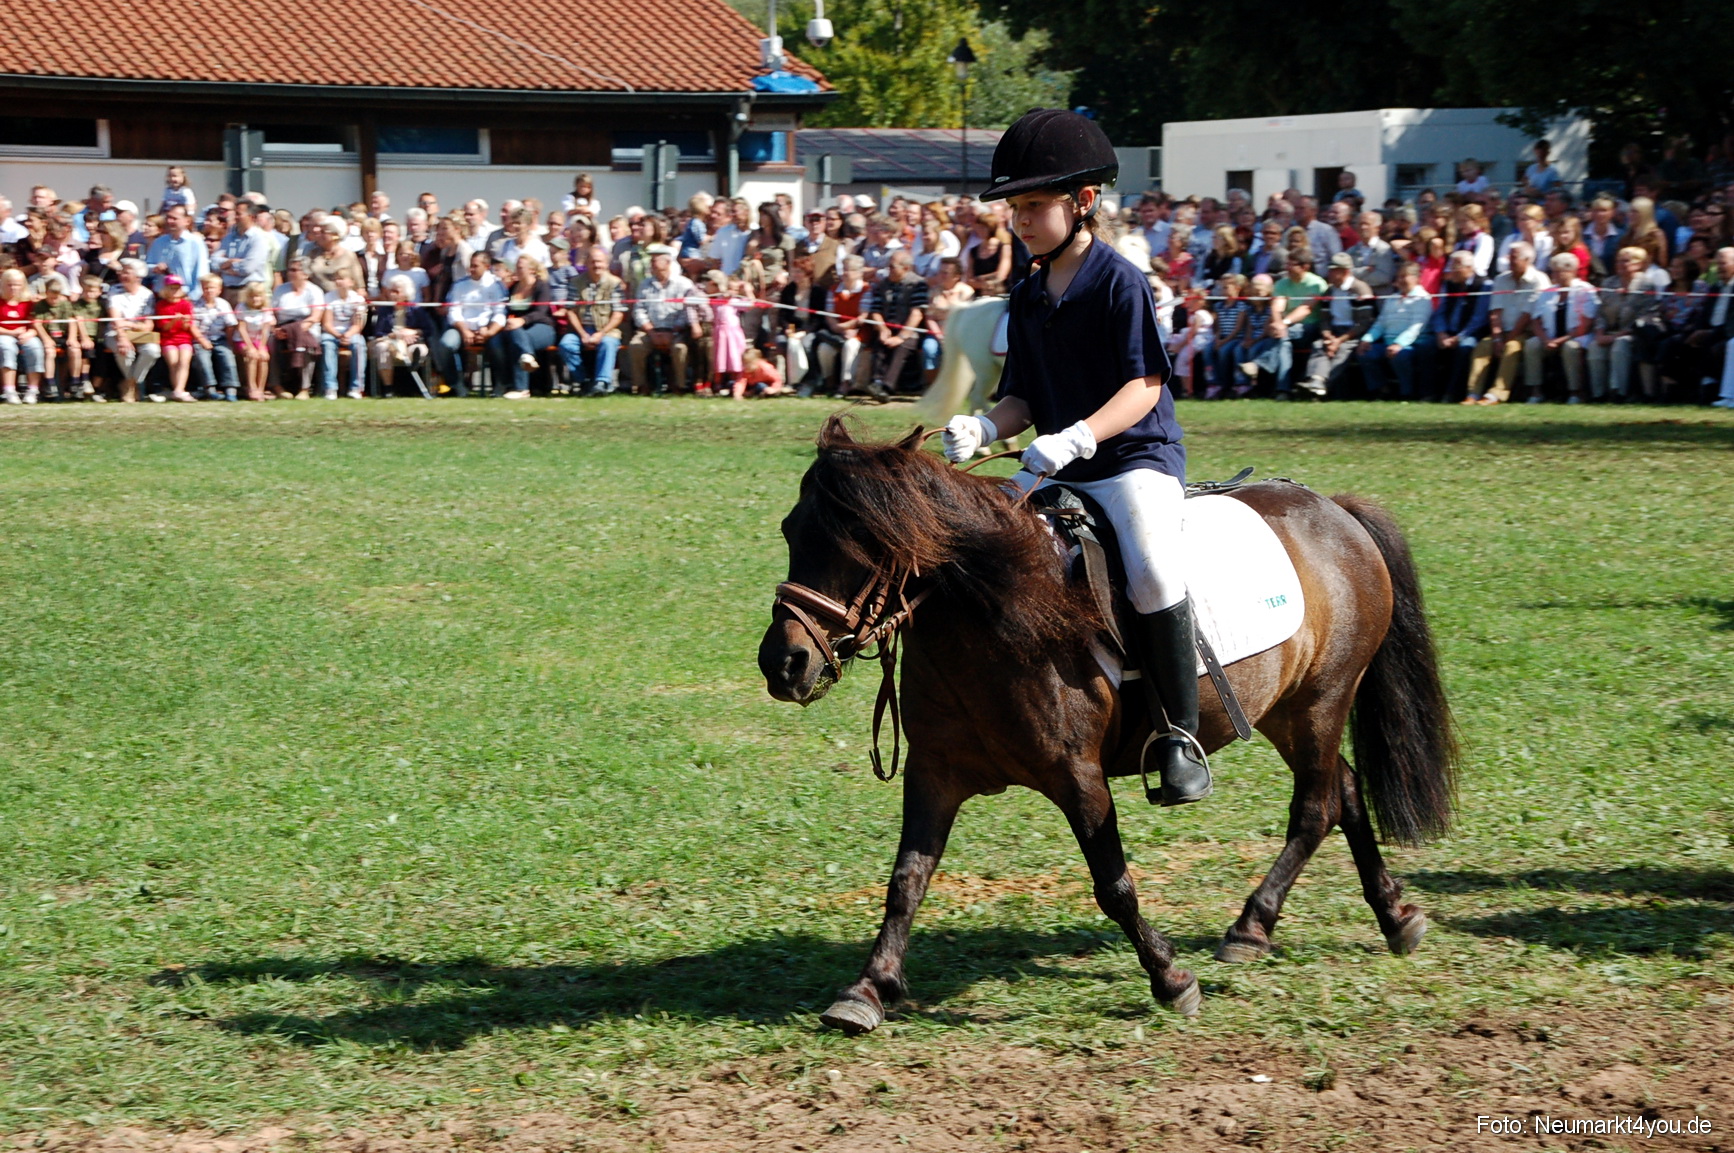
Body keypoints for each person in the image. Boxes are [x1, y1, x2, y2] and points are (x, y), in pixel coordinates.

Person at [937, 108, 1207, 806]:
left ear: (1082, 202)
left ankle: (1180, 736)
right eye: (1014, 208)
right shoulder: (1026, 294)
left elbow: (1146, 383)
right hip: (1055, 461)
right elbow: (1021, 397)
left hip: (1133, 460)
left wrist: (1083, 434)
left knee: (1148, 567)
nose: (1019, 220)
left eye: (1033, 205)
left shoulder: (1120, 282)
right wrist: (983, 427)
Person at [1468, 242, 1547, 405]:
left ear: (1528, 259)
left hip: (1526, 332)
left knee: (1511, 348)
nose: (1510, 260)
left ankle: (1496, 394)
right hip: (1503, 331)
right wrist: (1497, 338)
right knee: (1483, 345)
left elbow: (1527, 315)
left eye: (1514, 257)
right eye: (1509, 256)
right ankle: (1473, 393)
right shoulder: (1501, 279)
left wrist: (1508, 339)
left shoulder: (1538, 280)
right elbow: (1495, 312)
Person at [1587, 247, 1664, 400]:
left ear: (1639, 264)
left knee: (1620, 346)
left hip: (1631, 334)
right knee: (1595, 347)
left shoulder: (1646, 285)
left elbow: (1645, 315)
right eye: (1618, 261)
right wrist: (1600, 333)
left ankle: (1618, 392)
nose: (1620, 264)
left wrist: (1620, 335)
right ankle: (1599, 394)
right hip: (1608, 332)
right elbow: (1600, 312)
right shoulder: (1609, 282)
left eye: (1625, 261)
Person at [1295, 253, 1375, 398]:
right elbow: (1324, 319)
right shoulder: (1330, 291)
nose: (1329, 273)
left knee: (1342, 352)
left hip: (1353, 334)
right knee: (1319, 346)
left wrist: (1339, 341)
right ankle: (1317, 382)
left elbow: (1363, 323)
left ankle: (1319, 387)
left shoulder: (1361, 289)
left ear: (1345, 271)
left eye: (1333, 270)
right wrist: (1327, 336)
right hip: (1333, 331)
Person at [627, 245, 702, 394]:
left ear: (668, 263)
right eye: (651, 260)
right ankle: (641, 385)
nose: (652, 264)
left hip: (676, 330)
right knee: (636, 346)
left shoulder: (684, 284)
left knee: (680, 348)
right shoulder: (645, 285)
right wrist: (651, 331)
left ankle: (679, 386)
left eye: (656, 260)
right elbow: (639, 310)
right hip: (650, 330)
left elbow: (687, 310)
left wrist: (674, 331)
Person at [1523, 253, 1597, 403]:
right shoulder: (1548, 292)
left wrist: (1561, 340)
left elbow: (1586, 323)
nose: (1554, 275)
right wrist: (1545, 339)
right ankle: (1536, 392)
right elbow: (1536, 320)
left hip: (1576, 337)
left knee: (1570, 348)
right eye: (1553, 271)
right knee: (1532, 344)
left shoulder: (1585, 290)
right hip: (1550, 338)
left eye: (1558, 271)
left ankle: (1574, 393)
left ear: (1571, 271)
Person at [1356, 261, 1434, 398]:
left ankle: (1407, 392)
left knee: (1400, 355)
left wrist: (1399, 344)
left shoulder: (1423, 299)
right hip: (1388, 342)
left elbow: (1416, 327)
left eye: (1405, 276)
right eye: (1399, 277)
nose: (1401, 280)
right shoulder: (1392, 298)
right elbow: (1380, 323)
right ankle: (1382, 390)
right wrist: (1367, 339)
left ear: (1417, 278)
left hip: (1412, 344)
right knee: (1365, 353)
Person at [558, 244, 626, 395]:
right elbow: (571, 311)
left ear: (606, 264)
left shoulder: (615, 284)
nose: (597, 265)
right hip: (581, 329)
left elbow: (618, 314)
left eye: (600, 261)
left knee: (608, 343)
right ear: (587, 263)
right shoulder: (575, 282)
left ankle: (602, 382)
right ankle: (584, 381)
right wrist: (582, 334)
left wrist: (601, 333)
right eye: (593, 261)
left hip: (606, 329)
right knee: (566, 345)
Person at [438, 252, 507, 396]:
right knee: (446, 344)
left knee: (497, 345)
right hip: (462, 328)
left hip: (488, 329)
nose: (471, 269)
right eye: (471, 265)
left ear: (487, 266)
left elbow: (500, 313)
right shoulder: (459, 285)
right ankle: (456, 385)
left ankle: (500, 384)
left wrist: (489, 332)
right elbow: (454, 311)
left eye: (476, 266)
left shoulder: (497, 286)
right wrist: (464, 330)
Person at [861, 250, 929, 396]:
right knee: (880, 343)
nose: (888, 270)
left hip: (910, 330)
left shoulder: (918, 284)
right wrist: (882, 328)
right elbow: (876, 310)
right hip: (888, 326)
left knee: (903, 346)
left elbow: (917, 313)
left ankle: (887, 386)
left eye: (892, 267)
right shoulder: (883, 284)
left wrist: (901, 337)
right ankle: (876, 383)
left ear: (905, 268)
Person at [489, 254, 556, 399]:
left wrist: (522, 320)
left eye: (520, 268)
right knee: (496, 341)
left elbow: (541, 312)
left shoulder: (541, 286)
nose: (516, 271)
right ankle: (504, 382)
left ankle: (522, 388)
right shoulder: (512, 287)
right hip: (515, 329)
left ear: (531, 270)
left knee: (517, 339)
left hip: (541, 327)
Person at [1428, 252, 1492, 404]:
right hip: (1448, 332)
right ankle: (1428, 394)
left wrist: (1459, 337)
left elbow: (1479, 318)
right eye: (1450, 266)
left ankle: (1452, 393)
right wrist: (1441, 333)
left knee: (1465, 347)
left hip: (1471, 333)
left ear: (1469, 268)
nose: (1450, 270)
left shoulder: (1484, 285)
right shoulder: (1449, 284)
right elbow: (1440, 311)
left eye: (1455, 266)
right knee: (1427, 347)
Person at [369, 274, 440, 396]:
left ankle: (414, 374)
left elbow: (428, 329)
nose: (392, 294)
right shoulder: (384, 310)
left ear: (406, 293)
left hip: (411, 342)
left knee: (419, 350)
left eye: (396, 291)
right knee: (382, 348)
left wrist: (414, 331)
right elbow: (379, 332)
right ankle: (388, 389)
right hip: (390, 342)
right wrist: (397, 335)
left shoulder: (416, 310)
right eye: (391, 291)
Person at [106, 259, 160, 403]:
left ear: (138, 276)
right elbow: (115, 320)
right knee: (125, 350)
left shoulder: (147, 294)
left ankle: (130, 383)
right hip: (116, 332)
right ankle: (132, 386)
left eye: (127, 272)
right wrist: (123, 336)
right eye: (122, 272)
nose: (122, 275)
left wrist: (128, 324)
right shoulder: (114, 291)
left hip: (138, 333)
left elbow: (148, 325)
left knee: (152, 351)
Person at [271, 258, 326, 399]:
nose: (291, 273)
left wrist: (294, 330)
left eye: (296, 270)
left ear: (306, 274)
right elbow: (272, 313)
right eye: (290, 270)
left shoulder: (314, 291)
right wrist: (276, 329)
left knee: (307, 343)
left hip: (306, 326)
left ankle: (304, 388)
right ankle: (277, 387)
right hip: (282, 326)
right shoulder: (280, 290)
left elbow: (315, 317)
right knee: (269, 343)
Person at [320, 269, 370, 399]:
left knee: (359, 345)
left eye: (342, 278)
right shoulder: (328, 297)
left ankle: (356, 388)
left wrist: (347, 335)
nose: (339, 281)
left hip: (351, 332)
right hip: (332, 332)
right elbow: (327, 323)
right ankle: (330, 388)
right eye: (337, 278)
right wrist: (338, 335)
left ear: (351, 282)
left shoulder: (358, 299)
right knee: (327, 344)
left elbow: (358, 324)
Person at [190, 273, 239, 400]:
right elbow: (192, 325)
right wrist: (202, 340)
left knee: (227, 357)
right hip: (200, 339)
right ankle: (209, 388)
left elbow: (230, 325)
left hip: (220, 338)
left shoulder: (223, 304)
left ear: (219, 290)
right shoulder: (194, 305)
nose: (209, 290)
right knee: (203, 360)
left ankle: (231, 388)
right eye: (206, 288)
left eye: (212, 288)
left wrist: (229, 343)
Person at [0, 268, 45, 404]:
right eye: (9, 284)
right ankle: (9, 390)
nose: (13, 288)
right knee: (6, 347)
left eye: (17, 284)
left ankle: (32, 391)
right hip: (4, 334)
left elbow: (36, 323)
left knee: (35, 346)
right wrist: (11, 332)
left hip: (25, 334)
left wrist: (31, 332)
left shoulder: (30, 302)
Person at [152, 275, 198, 402]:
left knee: (184, 362)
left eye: (178, 288)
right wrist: (174, 320)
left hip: (184, 338)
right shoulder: (161, 305)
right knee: (173, 362)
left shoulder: (186, 304)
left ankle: (179, 390)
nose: (175, 291)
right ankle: (177, 390)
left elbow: (187, 326)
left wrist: (185, 321)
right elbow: (164, 327)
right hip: (168, 339)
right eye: (172, 288)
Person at [234, 282, 275, 401]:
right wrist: (250, 347)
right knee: (252, 356)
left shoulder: (266, 309)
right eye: (252, 296)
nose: (255, 299)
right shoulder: (241, 307)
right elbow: (241, 329)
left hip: (259, 340)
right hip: (243, 339)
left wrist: (262, 347)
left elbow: (265, 330)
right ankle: (252, 387)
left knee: (263, 357)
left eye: (257, 296)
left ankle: (261, 389)